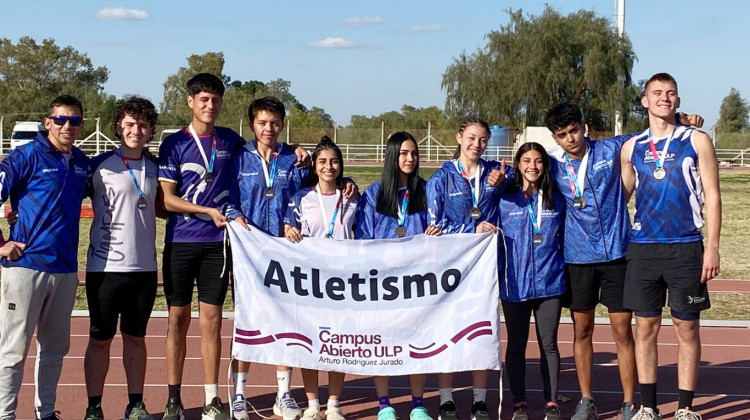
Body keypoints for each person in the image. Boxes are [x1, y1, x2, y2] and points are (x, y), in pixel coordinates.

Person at [544, 102, 703, 420]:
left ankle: (631, 402)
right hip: (578, 258)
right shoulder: (554, 165)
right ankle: (586, 400)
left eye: (574, 130)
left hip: (618, 254)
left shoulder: (613, 148)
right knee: (582, 330)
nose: (570, 138)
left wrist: (680, 119)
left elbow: (651, 134)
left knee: (622, 331)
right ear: (555, 138)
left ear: (584, 126)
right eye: (562, 135)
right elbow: (524, 168)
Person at [226, 97, 345, 420]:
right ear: (252, 124)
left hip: (285, 253)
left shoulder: (294, 158)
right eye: (263, 123)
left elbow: (320, 187)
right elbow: (227, 197)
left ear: (282, 124)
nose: (269, 128)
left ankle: (284, 394)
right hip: (250, 252)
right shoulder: (238, 158)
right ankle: (239, 393)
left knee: (287, 321)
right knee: (247, 321)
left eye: (275, 123)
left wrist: (347, 184)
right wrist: (235, 216)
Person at [620, 73, 721, 420]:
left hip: (686, 247)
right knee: (644, 327)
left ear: (678, 101)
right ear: (645, 101)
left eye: (671, 93)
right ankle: (648, 406)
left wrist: (713, 248)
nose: (664, 98)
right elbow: (621, 196)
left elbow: (714, 196)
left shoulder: (697, 140)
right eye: (657, 93)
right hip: (643, 248)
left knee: (686, 327)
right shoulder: (632, 147)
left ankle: (685, 408)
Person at [158, 73, 246, 420]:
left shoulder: (231, 140)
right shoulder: (173, 144)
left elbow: (266, 153)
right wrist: (205, 210)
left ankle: (212, 398)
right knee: (176, 320)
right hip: (180, 240)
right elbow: (166, 199)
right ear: (190, 102)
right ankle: (173, 399)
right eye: (204, 100)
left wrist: (295, 151)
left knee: (212, 322)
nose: (210, 106)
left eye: (216, 100)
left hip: (216, 245)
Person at [0, 95, 90, 420]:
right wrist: (0, 244)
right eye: (61, 119)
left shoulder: (81, 163)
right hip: (25, 267)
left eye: (75, 120)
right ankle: (5, 414)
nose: (68, 126)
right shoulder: (25, 157)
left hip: (65, 269)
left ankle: (46, 412)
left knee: (54, 350)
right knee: (13, 350)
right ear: (47, 121)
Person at [426, 116, 509, 420]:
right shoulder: (440, 179)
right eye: (471, 138)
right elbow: (433, 228)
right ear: (459, 137)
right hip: (451, 271)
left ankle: (479, 400)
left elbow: (529, 178)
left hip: (486, 269)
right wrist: (470, 228)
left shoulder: (496, 174)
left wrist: (505, 181)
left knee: (483, 333)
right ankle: (446, 400)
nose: (477, 145)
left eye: (483, 140)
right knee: (447, 332)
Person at [82, 97, 160, 420]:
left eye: (142, 125)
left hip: (143, 269)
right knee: (100, 340)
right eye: (129, 124)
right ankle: (94, 408)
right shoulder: (99, 166)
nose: (135, 130)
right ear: (118, 127)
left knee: (136, 339)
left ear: (151, 130)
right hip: (104, 269)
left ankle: (136, 404)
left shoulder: (157, 167)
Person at [354, 132, 441, 420]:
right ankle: (384, 404)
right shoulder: (374, 194)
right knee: (382, 343)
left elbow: (439, 227)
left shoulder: (427, 192)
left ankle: (418, 404)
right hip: (383, 284)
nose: (410, 159)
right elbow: (364, 237)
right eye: (404, 153)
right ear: (392, 156)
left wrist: (435, 233)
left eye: (414, 153)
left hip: (417, 284)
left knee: (418, 342)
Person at [282, 137, 359, 420]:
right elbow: (289, 228)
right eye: (323, 161)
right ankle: (313, 404)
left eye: (335, 161)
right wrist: (288, 229)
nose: (329, 167)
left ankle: (334, 404)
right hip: (311, 283)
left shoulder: (352, 196)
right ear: (314, 165)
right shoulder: (301, 197)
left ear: (341, 166)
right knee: (310, 343)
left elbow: (361, 236)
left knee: (338, 343)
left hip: (342, 282)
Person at [497, 143, 565, 420]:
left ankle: (551, 402)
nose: (532, 166)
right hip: (514, 284)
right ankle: (519, 403)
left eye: (538, 161)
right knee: (516, 345)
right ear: (518, 164)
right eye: (526, 160)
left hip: (550, 283)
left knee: (549, 344)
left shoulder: (556, 199)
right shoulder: (504, 200)